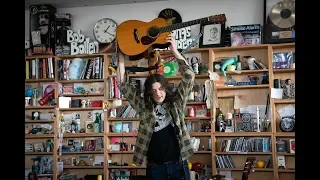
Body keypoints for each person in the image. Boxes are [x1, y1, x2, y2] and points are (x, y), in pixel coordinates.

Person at [116, 33, 195, 180]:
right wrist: (121, 57)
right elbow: (122, 84)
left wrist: (174, 50)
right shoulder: (144, 106)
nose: (158, 94)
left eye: (160, 89)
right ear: (149, 93)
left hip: (178, 164)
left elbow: (189, 76)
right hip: (155, 167)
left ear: (166, 88)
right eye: (153, 91)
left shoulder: (176, 102)